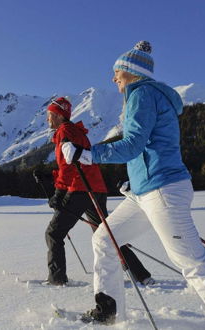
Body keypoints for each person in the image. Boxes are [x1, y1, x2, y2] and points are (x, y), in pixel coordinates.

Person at [62, 41, 205, 329]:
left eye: (117, 72)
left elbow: (133, 144)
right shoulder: (144, 96)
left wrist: (87, 154)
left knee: (193, 263)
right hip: (146, 192)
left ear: (130, 72)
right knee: (104, 238)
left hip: (163, 190)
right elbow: (147, 147)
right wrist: (134, 180)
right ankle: (108, 310)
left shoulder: (142, 94)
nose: (113, 78)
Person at [45, 96, 154, 287]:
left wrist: (59, 193)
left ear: (60, 116)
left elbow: (68, 166)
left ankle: (57, 280)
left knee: (54, 233)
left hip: (80, 189)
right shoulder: (75, 131)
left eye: (51, 115)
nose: (48, 119)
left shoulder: (65, 131)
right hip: (95, 189)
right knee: (107, 234)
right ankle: (141, 274)